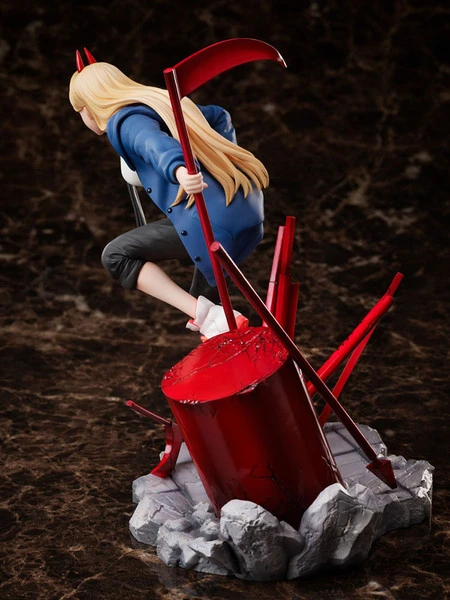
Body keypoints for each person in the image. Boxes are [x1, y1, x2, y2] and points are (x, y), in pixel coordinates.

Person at [69, 49, 269, 338]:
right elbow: (218, 116)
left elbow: (152, 143)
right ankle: (213, 320)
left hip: (211, 226)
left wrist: (180, 170)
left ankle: (204, 315)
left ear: (89, 106)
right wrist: (224, 162)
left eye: (80, 111)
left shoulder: (123, 121)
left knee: (116, 255)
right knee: (214, 321)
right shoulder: (160, 104)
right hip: (247, 215)